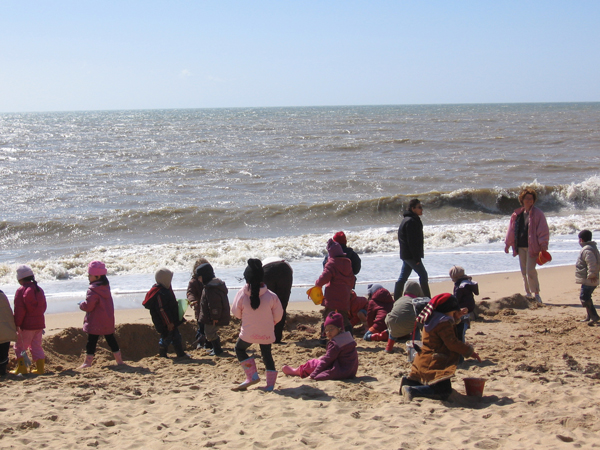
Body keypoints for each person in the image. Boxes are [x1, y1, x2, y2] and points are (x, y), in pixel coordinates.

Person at [400, 293, 481, 401]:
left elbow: (448, 323)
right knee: (443, 390)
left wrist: (456, 316)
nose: (454, 315)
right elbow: (452, 342)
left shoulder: (433, 318)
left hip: (423, 359)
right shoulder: (443, 323)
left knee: (425, 380)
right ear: (447, 310)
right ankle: (412, 390)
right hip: (436, 362)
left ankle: (409, 382)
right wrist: (469, 351)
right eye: (453, 312)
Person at [231, 259, 283, 392]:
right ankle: (270, 385)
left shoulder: (242, 294)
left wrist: (244, 317)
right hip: (266, 333)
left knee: (239, 349)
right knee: (267, 355)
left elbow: (235, 312)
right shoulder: (271, 296)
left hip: (248, 333)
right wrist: (273, 322)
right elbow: (279, 315)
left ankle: (252, 376)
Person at [282, 311, 358, 380]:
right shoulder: (347, 338)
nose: (328, 332)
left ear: (339, 328)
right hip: (350, 371)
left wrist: (313, 375)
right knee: (322, 357)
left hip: (340, 371)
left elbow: (326, 361)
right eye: (326, 330)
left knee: (313, 363)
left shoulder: (335, 343)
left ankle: (298, 371)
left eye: (331, 329)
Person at [505, 188, 549, 303]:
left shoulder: (538, 213)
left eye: (531, 198)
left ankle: (536, 294)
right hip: (520, 246)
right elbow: (511, 230)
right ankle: (528, 294)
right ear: (522, 199)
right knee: (524, 271)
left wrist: (543, 244)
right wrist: (508, 244)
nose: (529, 200)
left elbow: (543, 230)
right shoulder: (517, 214)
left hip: (532, 247)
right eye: (527, 198)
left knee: (530, 270)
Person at [78, 261, 124, 368]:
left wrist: (81, 305)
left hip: (95, 321)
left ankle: (87, 362)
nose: (88, 277)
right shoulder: (105, 287)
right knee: (111, 340)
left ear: (97, 276)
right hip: (107, 319)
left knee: (91, 342)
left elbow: (89, 306)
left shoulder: (92, 290)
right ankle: (119, 360)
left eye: (90, 275)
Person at [316, 239, 355, 342]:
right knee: (344, 317)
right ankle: (349, 337)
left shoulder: (331, 263)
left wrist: (318, 284)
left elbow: (324, 277)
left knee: (328, 316)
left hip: (332, 296)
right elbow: (352, 279)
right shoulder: (347, 263)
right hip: (344, 296)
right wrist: (349, 289)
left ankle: (324, 338)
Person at [143, 268, 187, 358]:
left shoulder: (165, 289)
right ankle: (162, 354)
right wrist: (168, 322)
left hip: (170, 320)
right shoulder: (159, 293)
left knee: (176, 337)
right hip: (164, 322)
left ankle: (180, 353)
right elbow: (162, 309)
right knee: (166, 337)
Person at [12, 265, 47, 375]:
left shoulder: (21, 291)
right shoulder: (38, 289)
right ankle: (40, 369)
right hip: (39, 324)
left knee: (19, 346)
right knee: (36, 346)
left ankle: (22, 368)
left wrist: (17, 324)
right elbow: (43, 307)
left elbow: (19, 310)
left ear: (20, 278)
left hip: (26, 326)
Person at [394, 199, 431, 300]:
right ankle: (428, 300)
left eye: (421, 207)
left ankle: (396, 299)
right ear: (412, 208)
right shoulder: (411, 221)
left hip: (406, 255)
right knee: (423, 275)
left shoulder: (408, 220)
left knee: (402, 278)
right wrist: (417, 258)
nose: (421, 209)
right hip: (411, 256)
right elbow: (412, 242)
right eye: (419, 207)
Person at [196, 263, 230, 356]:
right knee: (210, 332)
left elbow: (214, 305)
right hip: (210, 315)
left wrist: (215, 316)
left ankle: (217, 349)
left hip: (213, 316)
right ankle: (215, 348)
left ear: (205, 276)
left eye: (199, 277)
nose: (199, 280)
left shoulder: (211, 288)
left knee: (210, 333)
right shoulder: (209, 286)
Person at [385, 281, 426, 353]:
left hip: (391, 324)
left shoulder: (400, 300)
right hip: (407, 325)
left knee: (394, 319)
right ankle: (415, 346)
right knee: (416, 324)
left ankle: (389, 347)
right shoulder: (416, 302)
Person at [262, 257, 294, 344]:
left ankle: (267, 335)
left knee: (266, 306)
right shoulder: (285, 264)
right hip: (285, 271)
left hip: (267, 271)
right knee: (281, 306)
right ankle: (277, 337)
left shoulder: (263, 264)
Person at [575, 230, 600, 326]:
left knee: (584, 297)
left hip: (589, 279)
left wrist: (592, 274)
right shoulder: (592, 248)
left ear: (581, 240)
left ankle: (594, 317)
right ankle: (589, 316)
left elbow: (592, 263)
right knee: (586, 297)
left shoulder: (587, 250)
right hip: (589, 278)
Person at [449, 266, 479, 343]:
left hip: (462, 309)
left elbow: (457, 299)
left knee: (460, 329)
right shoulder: (468, 282)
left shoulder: (459, 286)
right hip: (469, 308)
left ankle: (461, 343)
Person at [186, 258, 210, 349]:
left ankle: (209, 343)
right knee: (201, 328)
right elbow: (190, 293)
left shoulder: (210, 280)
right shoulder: (194, 282)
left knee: (210, 327)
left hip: (210, 309)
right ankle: (200, 342)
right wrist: (192, 300)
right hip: (199, 309)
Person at [0, 288, 17, 376]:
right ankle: (3, 371)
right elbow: (8, 313)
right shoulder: (2, 294)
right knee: (3, 353)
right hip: (5, 330)